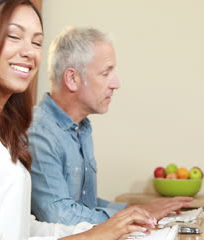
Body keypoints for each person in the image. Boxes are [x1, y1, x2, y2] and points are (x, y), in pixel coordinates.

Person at [0, 0, 156, 240]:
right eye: (14, 36)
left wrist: (105, 230)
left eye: (37, 42)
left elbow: (20, 227)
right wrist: (93, 236)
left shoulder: (1, 127)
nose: (29, 51)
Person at [28, 27, 193, 226]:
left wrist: (138, 210)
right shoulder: (40, 133)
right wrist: (131, 216)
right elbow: (60, 216)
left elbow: (84, 206)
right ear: (72, 79)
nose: (116, 83)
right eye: (106, 73)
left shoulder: (82, 128)